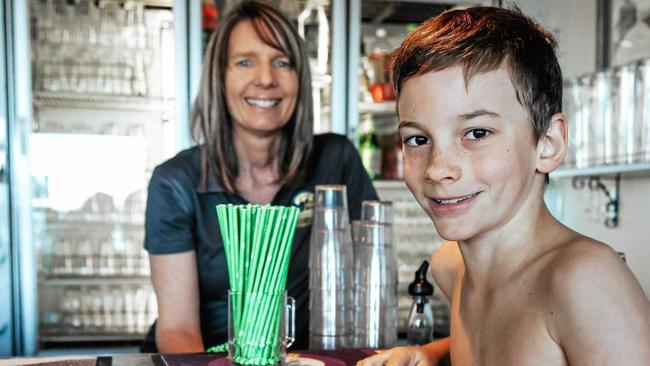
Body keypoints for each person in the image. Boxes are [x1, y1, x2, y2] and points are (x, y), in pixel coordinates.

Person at [358, 6, 650, 366]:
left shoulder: (585, 281)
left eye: (477, 133)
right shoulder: (452, 267)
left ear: (548, 144)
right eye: (417, 139)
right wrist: (428, 352)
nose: (438, 169)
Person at [141, 1, 377, 353]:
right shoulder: (177, 183)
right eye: (245, 62)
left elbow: (367, 289)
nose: (266, 79)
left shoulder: (335, 161)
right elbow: (178, 331)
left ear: (300, 79)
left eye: (282, 63)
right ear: (219, 78)